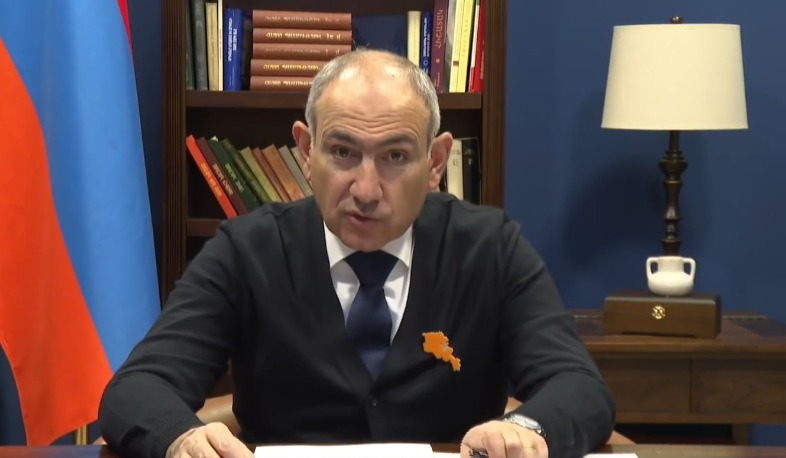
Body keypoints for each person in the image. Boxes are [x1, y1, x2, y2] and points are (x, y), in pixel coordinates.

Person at [98, 48, 615, 458]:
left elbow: (579, 386)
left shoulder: (489, 248)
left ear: (436, 162)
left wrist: (526, 428)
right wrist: (181, 437)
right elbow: (137, 388)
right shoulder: (247, 250)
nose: (366, 190)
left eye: (395, 156)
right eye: (343, 152)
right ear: (307, 151)